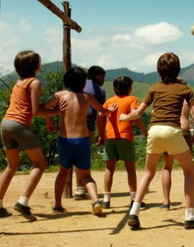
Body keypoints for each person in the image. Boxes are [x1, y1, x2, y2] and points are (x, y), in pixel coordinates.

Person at [120, 52, 194, 230]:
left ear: (158, 71)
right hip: (173, 130)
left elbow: (138, 113)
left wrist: (125, 117)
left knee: (148, 172)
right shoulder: (185, 89)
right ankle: (189, 215)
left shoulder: (154, 88)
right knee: (189, 171)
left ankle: (134, 211)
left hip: (154, 130)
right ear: (178, 69)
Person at [43, 67, 117, 215]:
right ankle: (95, 201)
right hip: (82, 139)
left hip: (65, 139)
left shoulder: (59, 95)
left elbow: (43, 107)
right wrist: (111, 110)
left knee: (63, 172)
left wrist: (49, 121)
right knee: (86, 175)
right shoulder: (87, 97)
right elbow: (102, 110)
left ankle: (58, 204)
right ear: (83, 83)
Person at [0, 50, 58, 221]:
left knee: (11, 165)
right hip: (20, 125)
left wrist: (50, 112)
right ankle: (23, 201)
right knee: (40, 164)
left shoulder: (19, 83)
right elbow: (36, 110)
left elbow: (32, 106)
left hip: (6, 123)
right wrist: (55, 112)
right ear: (36, 65)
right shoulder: (35, 83)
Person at [98, 76, 148, 209]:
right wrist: (144, 130)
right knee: (130, 169)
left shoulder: (109, 101)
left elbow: (100, 116)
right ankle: (133, 199)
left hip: (109, 136)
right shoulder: (132, 99)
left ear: (115, 88)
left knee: (109, 168)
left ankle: (106, 199)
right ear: (130, 88)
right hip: (125, 135)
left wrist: (101, 134)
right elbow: (135, 116)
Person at [160, 97, 194, 209]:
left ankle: (166, 202)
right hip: (184, 130)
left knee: (167, 167)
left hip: (169, 130)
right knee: (189, 169)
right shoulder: (187, 98)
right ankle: (191, 199)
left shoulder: (167, 97)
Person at [75, 66, 106, 200]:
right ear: (95, 76)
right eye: (102, 77)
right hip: (88, 124)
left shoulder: (79, 85)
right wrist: (102, 133)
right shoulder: (99, 90)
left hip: (72, 122)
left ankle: (79, 187)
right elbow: (101, 113)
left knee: (76, 156)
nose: (103, 80)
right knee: (84, 155)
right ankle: (81, 188)